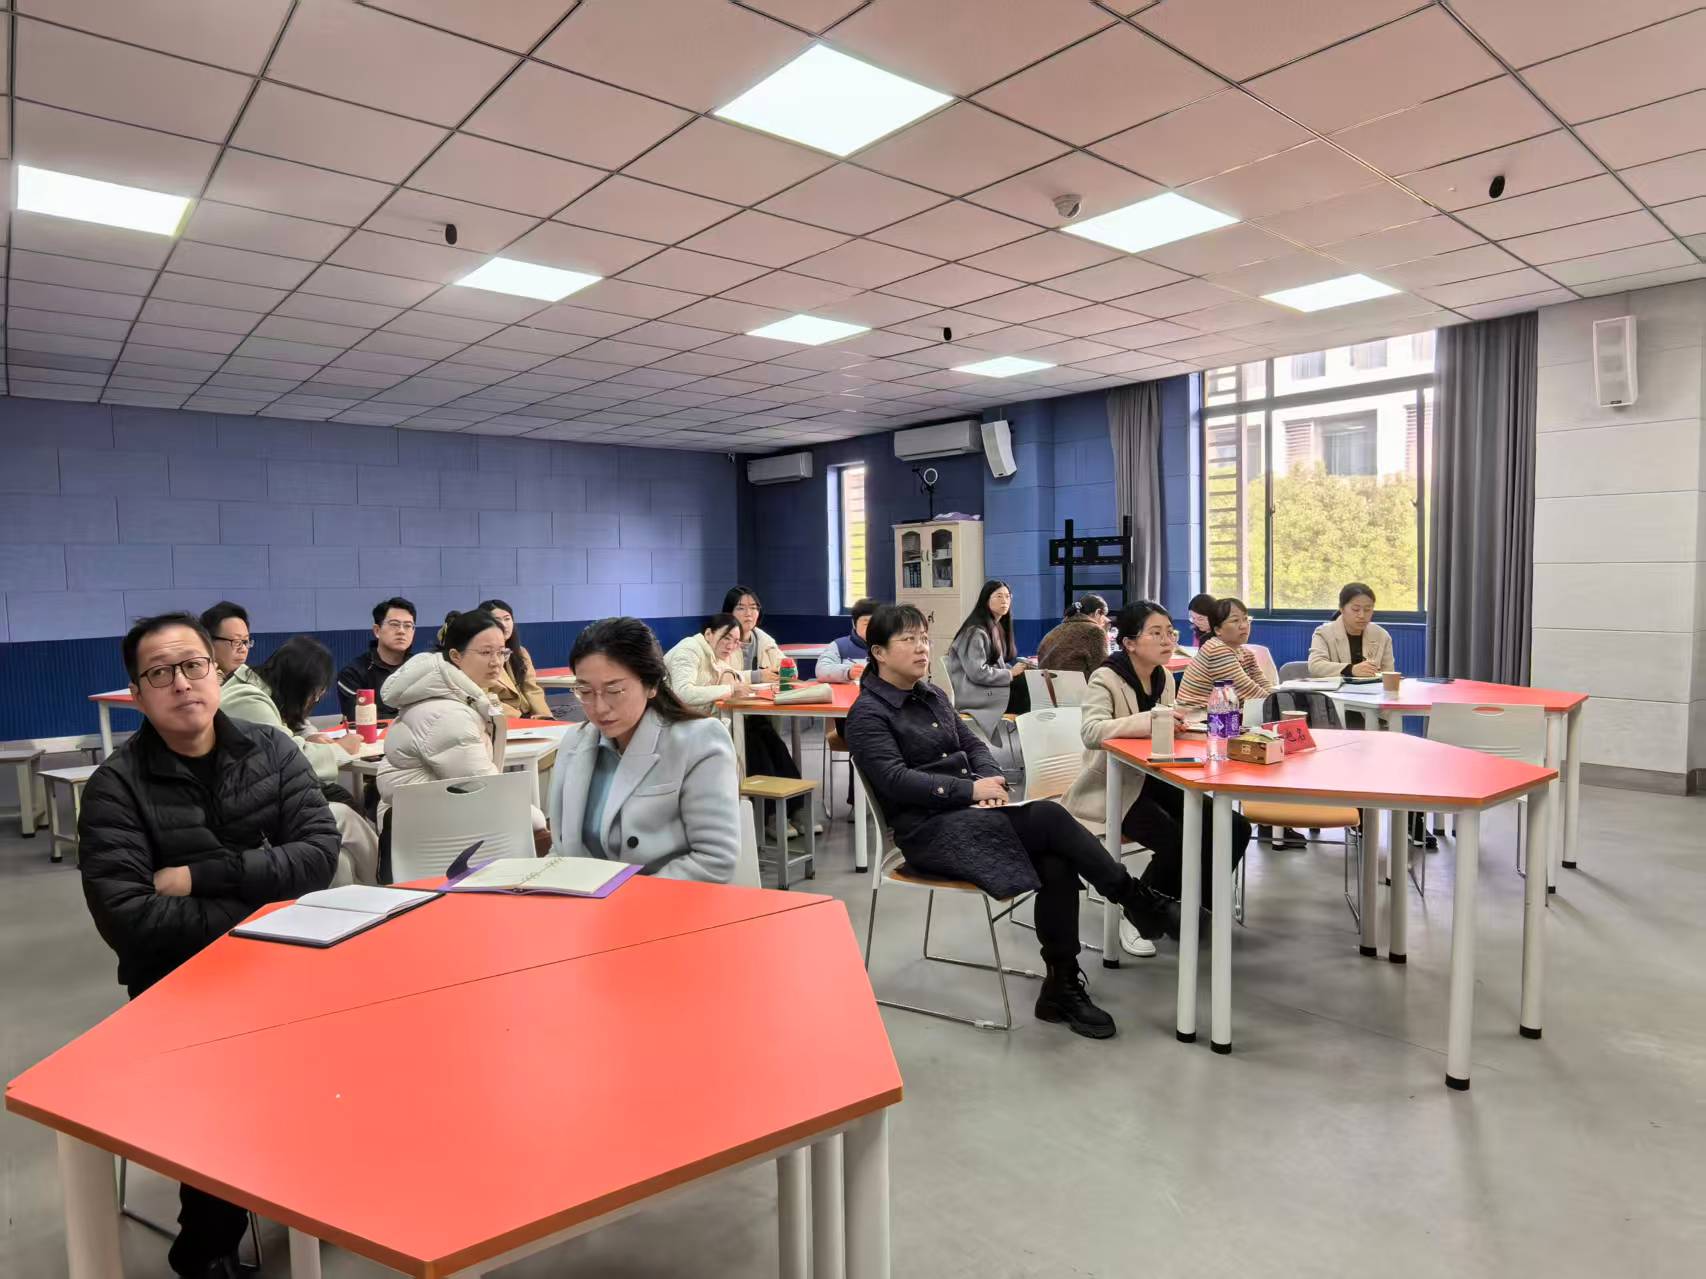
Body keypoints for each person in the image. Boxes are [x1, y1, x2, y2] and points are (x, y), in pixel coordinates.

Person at [77, 613, 338, 1278]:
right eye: (160, 673)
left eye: (193, 665)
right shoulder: (116, 787)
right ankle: (205, 1246)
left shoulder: (271, 750)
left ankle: (318, 1195)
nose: (182, 682)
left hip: (287, 966)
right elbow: (131, 917)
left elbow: (318, 856)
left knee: (358, 1059)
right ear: (137, 693)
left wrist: (201, 876)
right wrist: (261, 898)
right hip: (180, 984)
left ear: (217, 672)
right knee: (222, 1095)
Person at [846, 603, 1177, 1041]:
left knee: (1056, 859)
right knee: (1049, 816)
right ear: (879, 653)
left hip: (970, 817)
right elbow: (893, 780)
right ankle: (1134, 899)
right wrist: (967, 791)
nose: (922, 648)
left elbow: (973, 744)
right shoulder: (868, 714)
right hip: (927, 832)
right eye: (909, 640)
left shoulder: (933, 695)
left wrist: (990, 780)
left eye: (924, 638)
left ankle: (1061, 986)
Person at [1064, 602, 1251, 957]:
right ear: (1130, 642)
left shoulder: (1164, 677)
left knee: (1234, 826)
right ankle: (1138, 913)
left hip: (1157, 776)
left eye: (1170, 632)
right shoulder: (1106, 677)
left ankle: (1192, 906)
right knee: (1177, 838)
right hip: (1116, 785)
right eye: (1156, 633)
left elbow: (1163, 726)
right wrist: (1149, 721)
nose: (1167, 641)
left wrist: (1183, 726)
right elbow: (1091, 732)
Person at [549, 617, 739, 882]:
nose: (599, 707)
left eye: (614, 690)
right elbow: (561, 847)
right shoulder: (575, 740)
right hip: (584, 897)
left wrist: (622, 898)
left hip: (665, 899)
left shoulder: (699, 741)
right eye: (585, 691)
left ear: (651, 685)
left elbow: (715, 859)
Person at [377, 609, 548, 873]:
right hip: (431, 836)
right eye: (486, 652)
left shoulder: (456, 696)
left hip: (432, 821)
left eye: (501, 652)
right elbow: (486, 788)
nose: (496, 662)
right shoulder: (447, 713)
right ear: (456, 656)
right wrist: (538, 822)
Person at [218, 635, 380, 887]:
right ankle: (387, 885)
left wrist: (310, 735)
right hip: (250, 814)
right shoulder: (247, 700)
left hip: (260, 803)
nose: (315, 700)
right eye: (316, 693)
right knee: (344, 817)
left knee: (340, 859)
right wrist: (340, 749)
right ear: (301, 686)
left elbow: (294, 729)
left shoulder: (259, 691)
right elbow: (293, 761)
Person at [722, 585, 811, 835]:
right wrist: (756, 676)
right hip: (728, 715)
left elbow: (786, 667)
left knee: (777, 748)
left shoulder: (764, 640)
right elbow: (721, 674)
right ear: (729, 612)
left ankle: (797, 809)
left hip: (756, 711)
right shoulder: (723, 639)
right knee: (757, 748)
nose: (748, 613)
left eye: (753, 608)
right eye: (741, 608)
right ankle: (771, 815)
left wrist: (784, 672)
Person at [947, 579, 1031, 740]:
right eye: (999, 596)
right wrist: (1010, 673)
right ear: (986, 599)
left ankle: (1024, 738)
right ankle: (1025, 740)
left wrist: (1017, 669)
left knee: (1029, 680)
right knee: (1027, 688)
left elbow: (995, 664)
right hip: (975, 693)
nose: (1004, 601)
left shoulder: (993, 628)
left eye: (1007, 596)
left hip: (986, 688)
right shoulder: (974, 632)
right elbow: (978, 672)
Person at [1175, 596, 1273, 710]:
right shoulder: (1216, 649)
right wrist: (1278, 704)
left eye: (1246, 619)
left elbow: (1263, 684)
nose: (1244, 625)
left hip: (1222, 713)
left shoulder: (1246, 653)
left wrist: (1277, 698)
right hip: (1196, 716)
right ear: (1217, 630)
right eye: (1235, 620)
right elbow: (1247, 692)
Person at [337, 597, 415, 719]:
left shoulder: (421, 667)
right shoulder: (353, 673)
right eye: (394, 624)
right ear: (377, 630)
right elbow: (360, 719)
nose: (401, 631)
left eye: (408, 626)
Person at [478, 597, 552, 719]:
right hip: (503, 718)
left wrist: (545, 717)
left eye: (507, 619)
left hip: (528, 715)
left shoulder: (521, 652)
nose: (504, 625)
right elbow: (484, 699)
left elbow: (532, 689)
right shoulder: (479, 656)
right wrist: (521, 718)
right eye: (497, 620)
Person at [1307, 582, 1395, 678]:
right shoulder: (1323, 633)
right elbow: (1315, 666)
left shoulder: (1381, 635)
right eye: (1355, 609)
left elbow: (1388, 673)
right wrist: (1351, 670)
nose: (1362, 615)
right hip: (1335, 688)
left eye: (1367, 610)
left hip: (1372, 687)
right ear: (1341, 609)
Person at [663, 612, 748, 710]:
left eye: (736, 642)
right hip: (668, 716)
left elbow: (735, 672)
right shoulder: (689, 650)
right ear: (708, 634)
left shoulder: (713, 653)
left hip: (688, 715)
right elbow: (683, 693)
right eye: (726, 638)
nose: (730, 646)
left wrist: (730, 673)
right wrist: (730, 689)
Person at [1035, 593, 1111, 680]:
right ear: (1097, 612)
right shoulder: (1094, 631)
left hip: (1048, 687)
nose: (1105, 620)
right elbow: (1102, 671)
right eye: (1104, 615)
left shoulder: (1053, 632)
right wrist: (1105, 632)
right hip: (1079, 687)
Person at [815, 597, 878, 683]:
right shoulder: (839, 646)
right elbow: (821, 671)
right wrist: (848, 672)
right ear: (854, 623)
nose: (872, 628)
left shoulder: (889, 646)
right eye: (866, 624)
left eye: (876, 623)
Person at [198, 600, 251, 682]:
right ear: (208, 643)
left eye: (245, 642)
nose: (243, 649)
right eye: (236, 642)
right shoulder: (193, 683)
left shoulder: (254, 682)